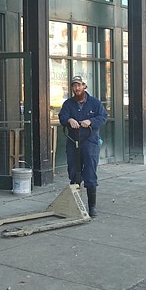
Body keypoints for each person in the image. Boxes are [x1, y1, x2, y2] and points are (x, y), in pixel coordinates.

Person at [58, 75, 108, 217]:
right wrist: (69, 119)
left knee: (90, 172)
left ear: (84, 86)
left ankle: (92, 207)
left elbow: (103, 117)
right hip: (73, 141)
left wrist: (91, 121)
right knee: (74, 171)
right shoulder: (68, 104)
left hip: (90, 141)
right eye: (74, 85)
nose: (77, 88)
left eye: (79, 85)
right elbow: (62, 117)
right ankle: (75, 204)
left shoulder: (94, 103)